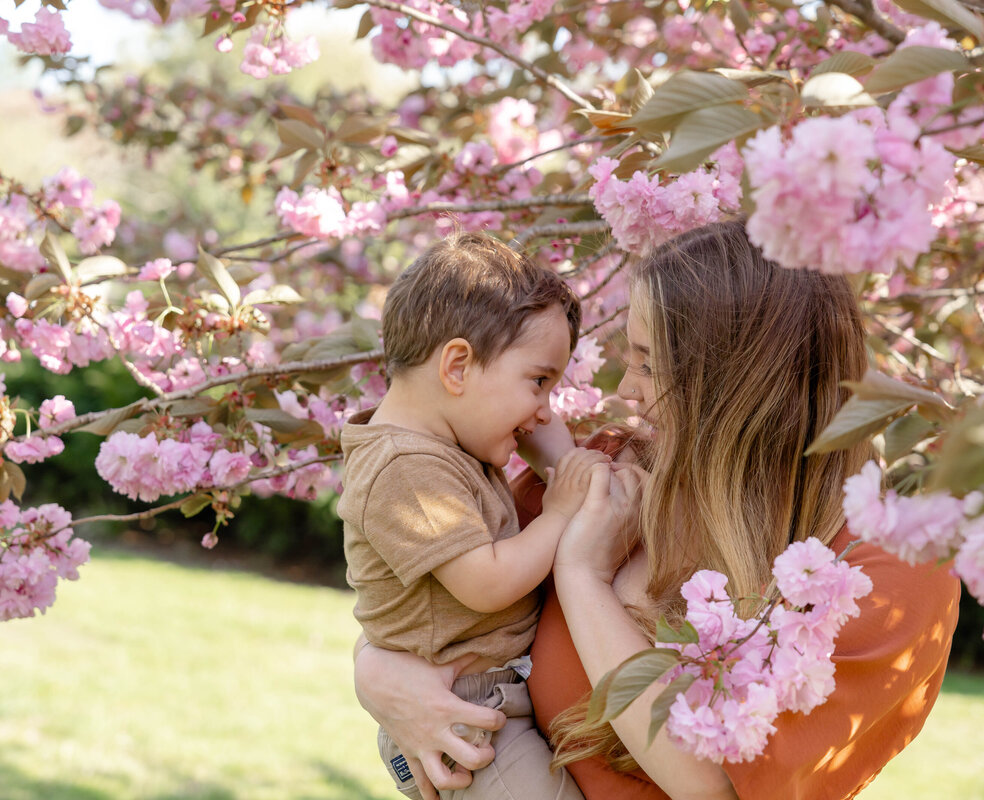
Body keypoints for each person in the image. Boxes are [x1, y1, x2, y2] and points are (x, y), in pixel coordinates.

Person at [353, 219, 961, 800]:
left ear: (731, 384)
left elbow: (713, 785)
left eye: (648, 361)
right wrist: (377, 673)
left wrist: (583, 576)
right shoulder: (619, 475)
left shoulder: (884, 580)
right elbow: (438, 597)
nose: (626, 390)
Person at [340, 230, 627, 800]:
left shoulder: (449, 444)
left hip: (487, 702)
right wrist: (560, 507)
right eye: (539, 381)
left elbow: (535, 429)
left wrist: (556, 457)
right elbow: (487, 582)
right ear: (457, 367)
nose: (545, 410)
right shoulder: (406, 466)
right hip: (466, 714)